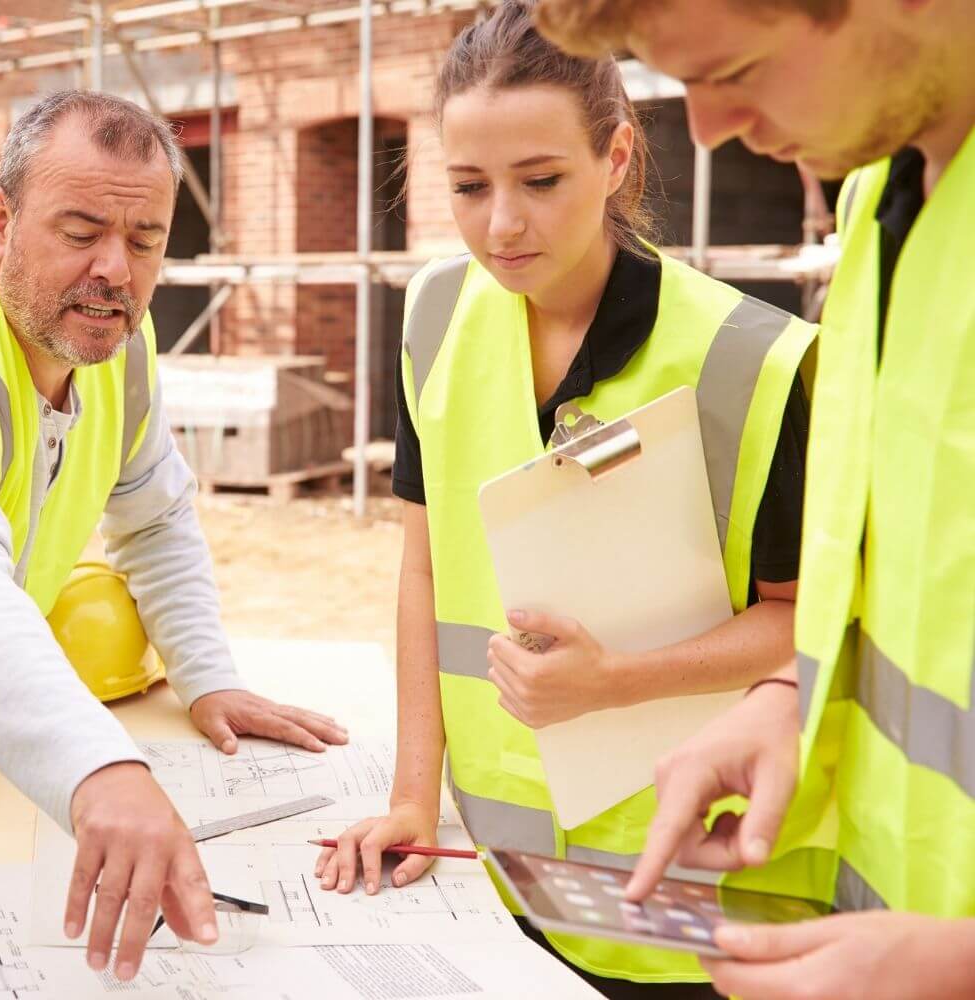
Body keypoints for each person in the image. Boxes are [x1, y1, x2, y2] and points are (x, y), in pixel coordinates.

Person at [313, 3, 826, 996]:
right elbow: (423, 568)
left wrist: (614, 680)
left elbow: (801, 625)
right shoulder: (431, 316)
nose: (501, 224)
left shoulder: (751, 362)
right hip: (497, 890)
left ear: (618, 157)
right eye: (467, 187)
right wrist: (414, 797)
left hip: (688, 897)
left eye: (541, 181)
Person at [533, 0, 975, 996]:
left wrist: (957, 966)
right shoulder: (878, 204)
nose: (703, 130)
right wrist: (787, 700)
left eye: (732, 69)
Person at [0, 91, 349, 983]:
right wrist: (101, 771)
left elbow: (157, 518)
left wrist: (207, 673)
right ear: (0, 220)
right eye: (80, 231)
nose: (117, 269)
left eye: (145, 240)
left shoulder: (121, 358)